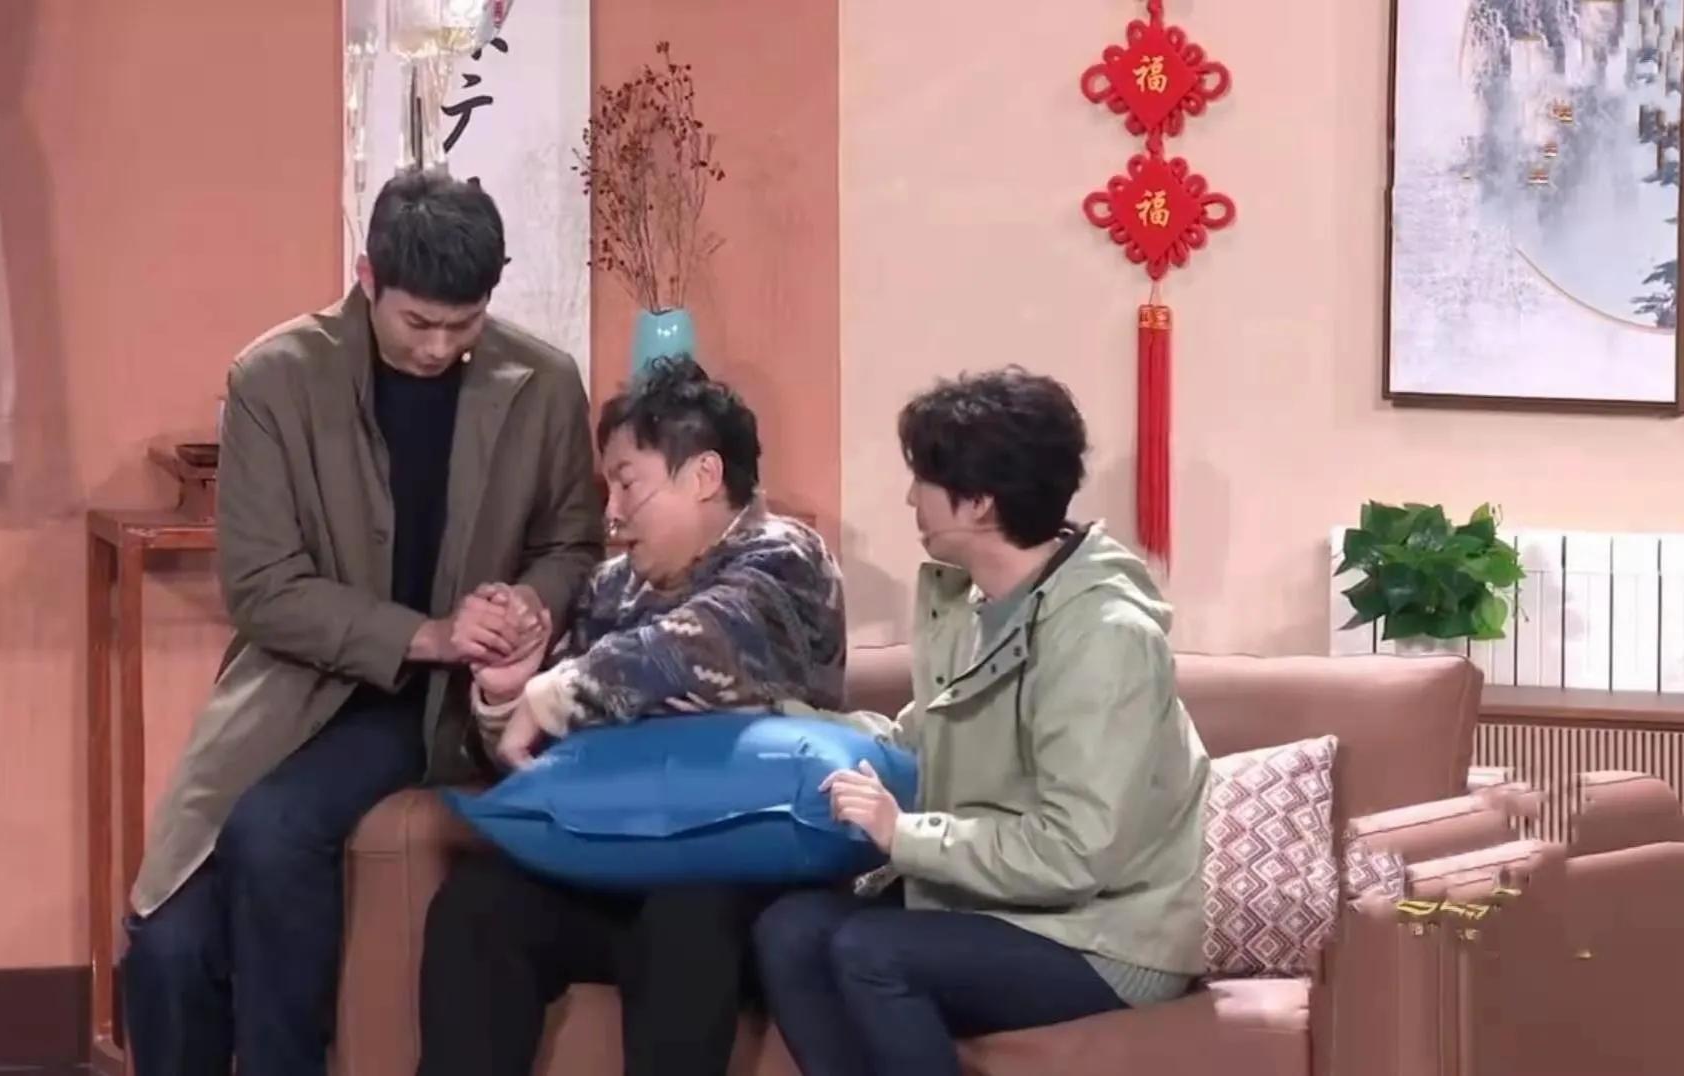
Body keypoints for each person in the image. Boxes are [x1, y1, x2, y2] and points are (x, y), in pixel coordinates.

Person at [119, 170, 605, 1076]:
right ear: (367, 277)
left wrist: (528, 603)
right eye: (418, 323)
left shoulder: (542, 383)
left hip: (444, 704)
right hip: (295, 688)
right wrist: (429, 632)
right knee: (167, 945)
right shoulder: (275, 378)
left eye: (465, 325)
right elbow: (263, 587)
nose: (439, 347)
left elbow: (573, 542)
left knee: (273, 830)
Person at [754, 367, 1210, 1076]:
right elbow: (914, 741)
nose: (910, 497)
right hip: (1002, 906)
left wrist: (903, 834)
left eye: (923, 479)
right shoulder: (974, 606)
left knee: (871, 952)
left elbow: (1076, 851)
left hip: (1109, 933)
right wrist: (773, 721)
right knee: (790, 931)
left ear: (979, 502)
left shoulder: (1104, 636)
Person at [417, 360, 847, 1076]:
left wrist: (557, 693)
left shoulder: (786, 558)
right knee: (478, 905)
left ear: (703, 475)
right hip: (614, 860)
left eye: (628, 484)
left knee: (689, 914)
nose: (611, 515)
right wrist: (505, 696)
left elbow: (700, 643)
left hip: (741, 875)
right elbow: (534, 754)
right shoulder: (614, 588)